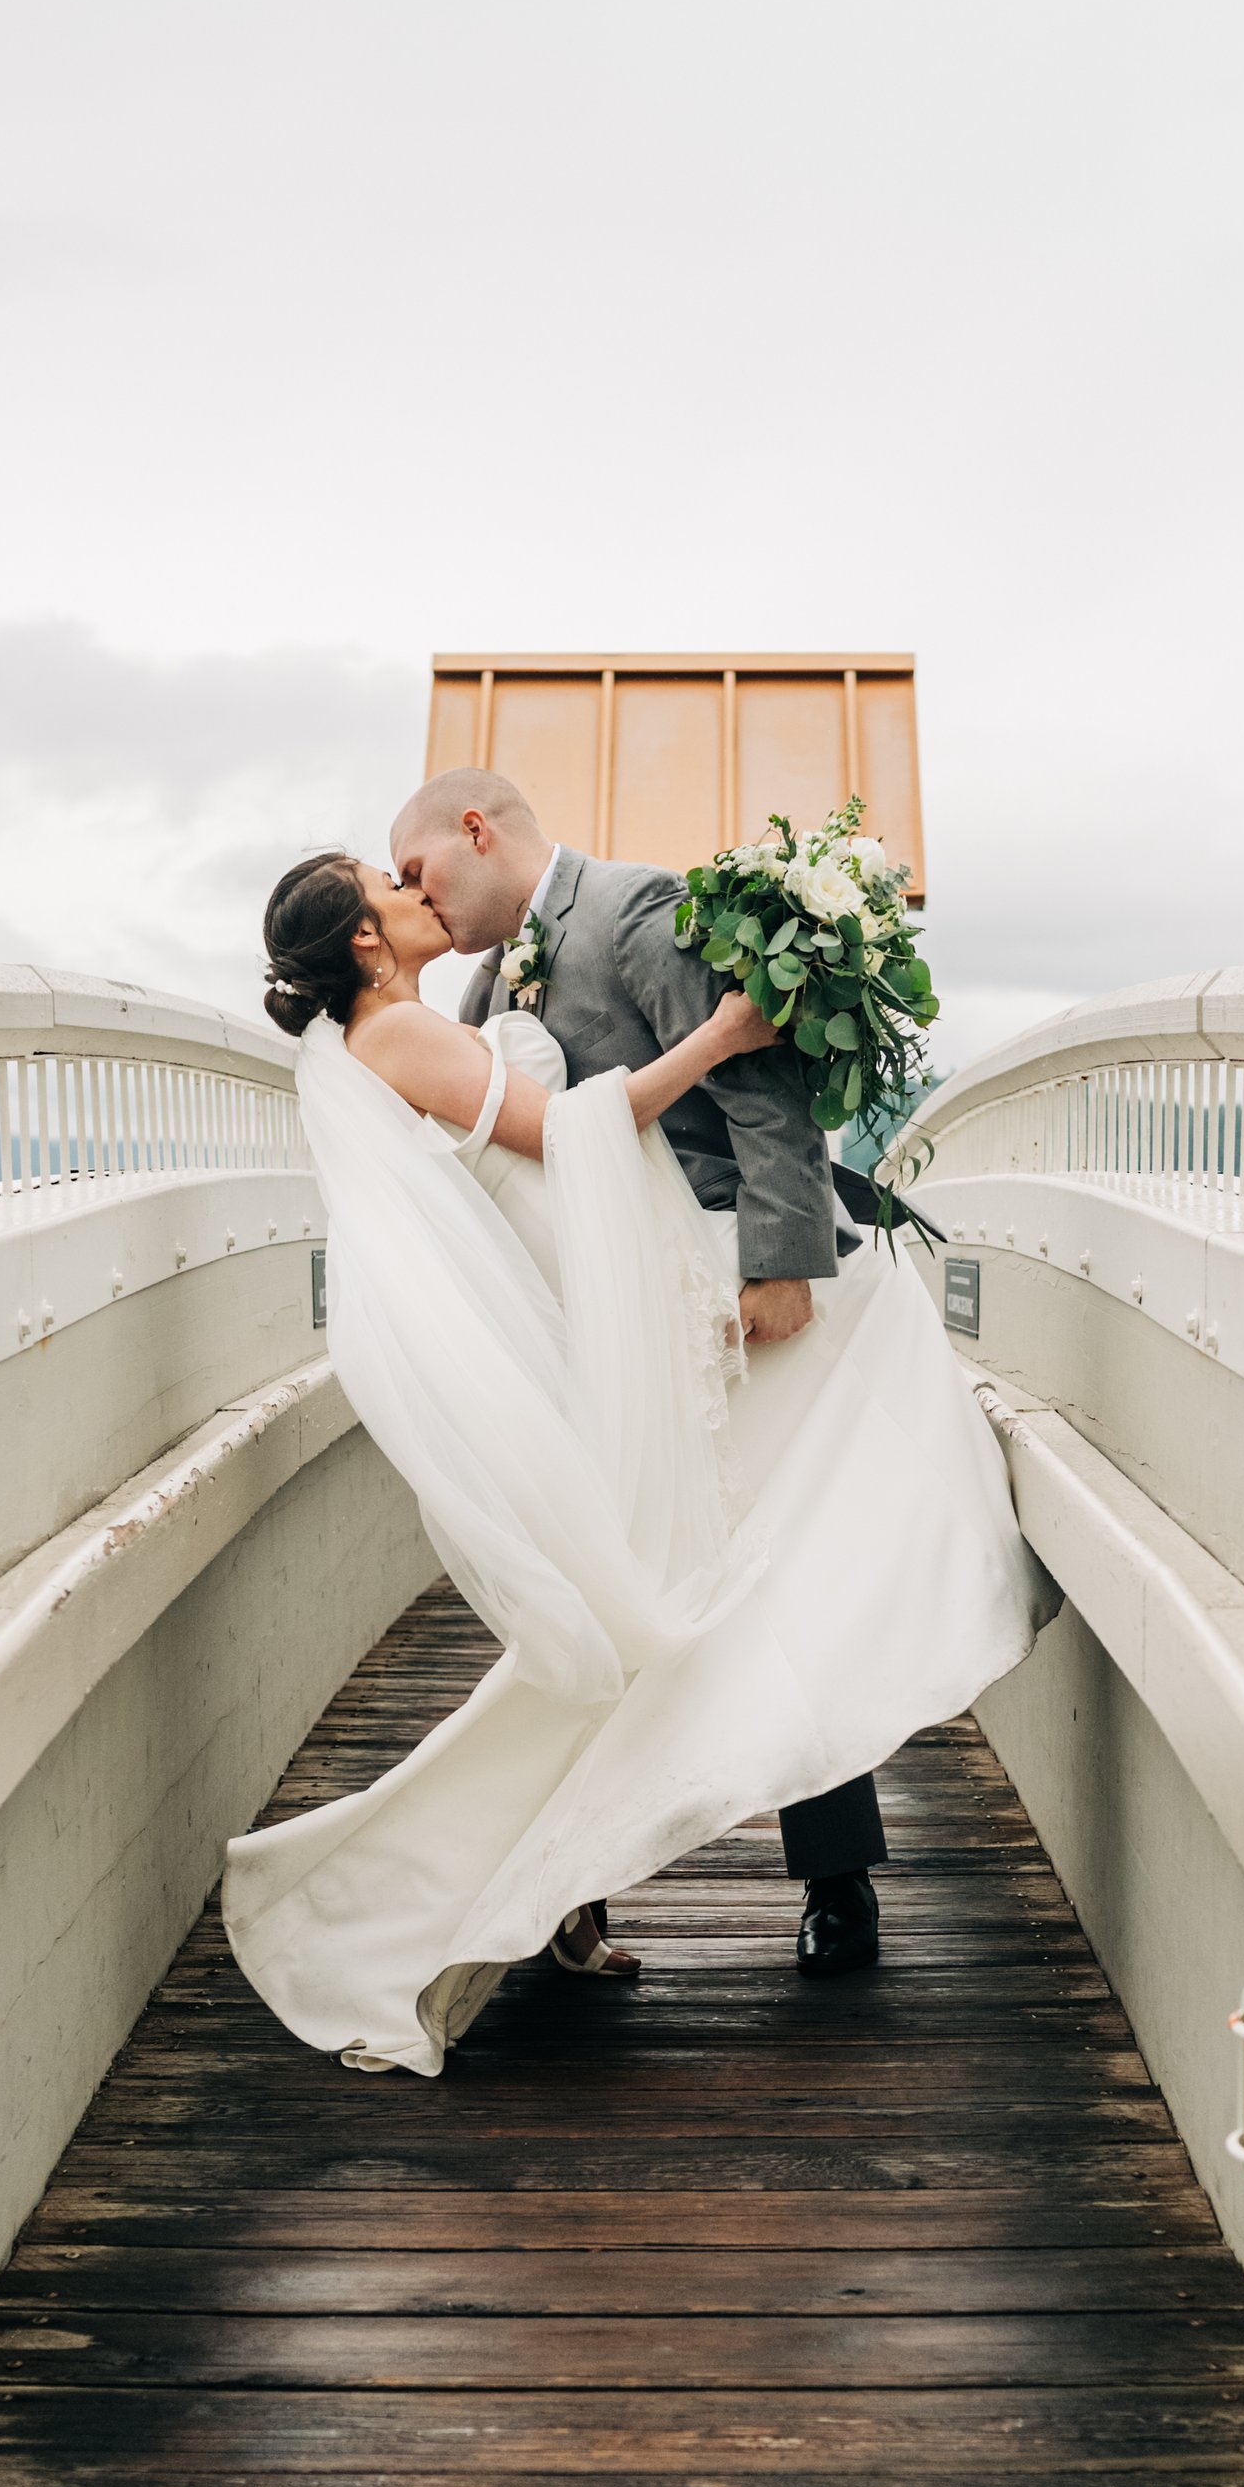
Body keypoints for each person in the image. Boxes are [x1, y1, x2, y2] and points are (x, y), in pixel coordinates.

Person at [218, 843, 1038, 2079]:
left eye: (414, 866)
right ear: (367, 944)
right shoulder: (403, 1033)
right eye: (389, 887)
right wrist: (717, 1037)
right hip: (616, 1301)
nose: (413, 888)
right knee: (779, 1459)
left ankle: (580, 1885)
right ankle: (945, 1598)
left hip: (623, 1282)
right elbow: (560, 1131)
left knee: (696, 1574)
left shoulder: (425, 1017)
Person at [393, 766, 891, 1975]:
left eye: (418, 873)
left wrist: (782, 1259)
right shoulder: (474, 984)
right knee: (622, 1582)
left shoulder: (633, 910)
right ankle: (572, 1883)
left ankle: (836, 1883)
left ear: (476, 830)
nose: (418, 898)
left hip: (726, 1290)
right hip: (617, 1330)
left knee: (768, 1575)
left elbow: (760, 1078)